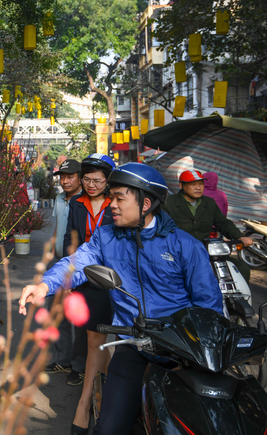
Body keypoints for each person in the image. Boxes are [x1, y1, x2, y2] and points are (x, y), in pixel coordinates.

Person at [19, 163, 223, 434]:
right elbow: (77, 263)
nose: (111, 204)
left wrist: (201, 351)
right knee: (110, 428)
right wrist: (45, 285)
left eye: (118, 198)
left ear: (146, 203)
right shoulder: (105, 237)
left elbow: (209, 306)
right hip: (133, 346)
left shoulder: (186, 246)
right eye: (110, 197)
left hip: (181, 351)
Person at [62, 154, 115, 432]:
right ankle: (99, 394)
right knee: (95, 337)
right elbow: (72, 238)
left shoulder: (115, 203)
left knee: (98, 339)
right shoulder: (76, 203)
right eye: (87, 179)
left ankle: (91, 401)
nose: (91, 185)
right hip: (85, 277)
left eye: (97, 180)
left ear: (108, 181)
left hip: (113, 277)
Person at [163, 169, 253, 281]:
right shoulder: (169, 203)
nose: (198, 187)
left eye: (201, 184)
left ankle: (239, 298)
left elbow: (223, 222)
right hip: (179, 253)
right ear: (181, 185)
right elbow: (162, 228)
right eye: (193, 184)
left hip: (206, 251)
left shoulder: (209, 203)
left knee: (241, 269)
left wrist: (239, 236)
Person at [45, 159, 86, 384]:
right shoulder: (60, 199)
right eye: (62, 176)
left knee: (78, 317)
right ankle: (64, 359)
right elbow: (57, 229)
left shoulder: (86, 200)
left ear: (80, 177)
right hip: (60, 262)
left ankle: (79, 367)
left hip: (79, 266)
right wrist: (52, 256)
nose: (65, 180)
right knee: (56, 312)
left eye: (70, 176)